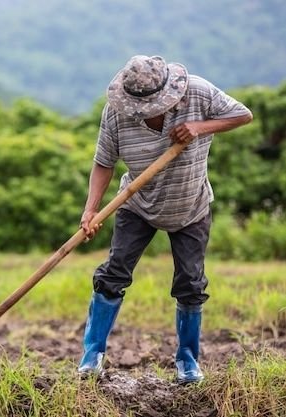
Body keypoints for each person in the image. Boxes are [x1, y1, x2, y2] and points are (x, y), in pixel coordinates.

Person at [78, 55, 253, 383]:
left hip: (191, 206)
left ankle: (187, 360)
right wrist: (91, 210)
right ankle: (92, 354)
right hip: (137, 204)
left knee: (190, 283)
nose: (144, 114)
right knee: (113, 274)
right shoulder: (117, 112)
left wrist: (199, 127)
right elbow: (103, 162)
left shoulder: (198, 93)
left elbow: (243, 114)